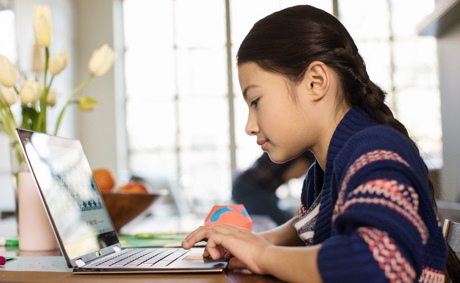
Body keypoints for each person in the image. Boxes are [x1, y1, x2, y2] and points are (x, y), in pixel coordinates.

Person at [182, 5, 456, 282]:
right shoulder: (323, 171)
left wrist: (262, 255)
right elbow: (307, 229)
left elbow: (379, 265)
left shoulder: (375, 150)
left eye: (256, 101)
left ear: (315, 82)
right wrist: (253, 242)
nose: (250, 126)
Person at [232, 151, 315, 225]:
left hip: (252, 187)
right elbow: (292, 174)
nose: (303, 174)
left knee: (287, 220)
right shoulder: (302, 154)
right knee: (285, 222)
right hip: (249, 189)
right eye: (305, 169)